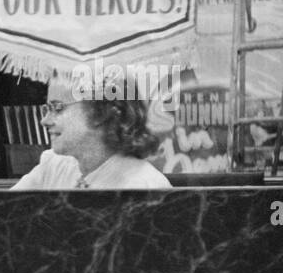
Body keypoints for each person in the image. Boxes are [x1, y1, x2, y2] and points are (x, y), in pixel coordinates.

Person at [12, 77, 173, 190]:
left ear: (100, 112)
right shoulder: (54, 166)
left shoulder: (145, 185)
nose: (44, 121)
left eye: (57, 108)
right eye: (47, 109)